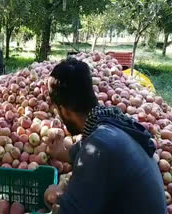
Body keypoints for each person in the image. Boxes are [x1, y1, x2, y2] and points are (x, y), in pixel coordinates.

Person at [47, 58, 167, 214]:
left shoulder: (100, 144)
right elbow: (81, 152)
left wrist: (52, 195)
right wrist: (57, 152)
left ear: (65, 111)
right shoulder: (110, 123)